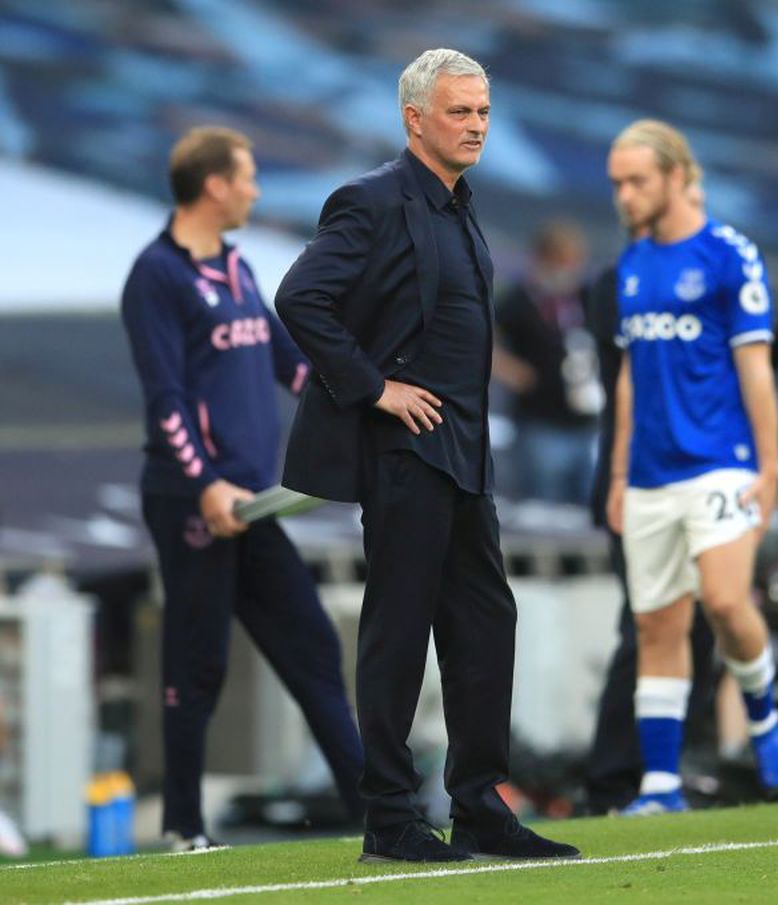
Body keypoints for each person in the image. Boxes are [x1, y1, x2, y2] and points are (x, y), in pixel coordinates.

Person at [273, 49, 578, 864]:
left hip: (468, 455)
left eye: (483, 112)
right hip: (406, 453)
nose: (477, 125)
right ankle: (390, 818)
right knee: (399, 633)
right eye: (460, 112)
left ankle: (478, 805)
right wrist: (373, 388)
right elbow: (300, 297)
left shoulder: (460, 205)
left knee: (486, 625)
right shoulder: (370, 201)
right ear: (415, 118)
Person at [120, 126, 365, 851]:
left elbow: (287, 364)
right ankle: (183, 827)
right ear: (216, 185)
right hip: (194, 502)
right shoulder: (156, 276)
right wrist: (204, 484)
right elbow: (165, 398)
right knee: (198, 660)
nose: (256, 189)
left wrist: (357, 401)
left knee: (313, 646)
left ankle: (378, 811)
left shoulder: (235, 267)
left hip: (253, 505)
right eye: (249, 177)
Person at [584, 185, 778, 814]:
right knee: (648, 629)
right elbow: (648, 376)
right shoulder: (619, 281)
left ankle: (682, 765)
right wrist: (616, 480)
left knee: (712, 612)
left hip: (710, 469)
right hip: (641, 472)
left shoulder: (717, 260)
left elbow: (732, 359)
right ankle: (621, 781)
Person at [492, 220, 601, 504]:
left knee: (588, 507)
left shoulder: (585, 297)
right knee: (544, 506)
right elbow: (481, 338)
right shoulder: (520, 300)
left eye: (574, 261)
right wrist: (511, 371)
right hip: (540, 423)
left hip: (586, 422)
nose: (568, 269)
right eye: (561, 261)